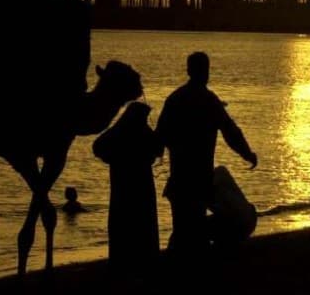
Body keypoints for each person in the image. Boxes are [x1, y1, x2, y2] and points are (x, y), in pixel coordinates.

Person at [156, 52, 258, 257]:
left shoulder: (175, 99)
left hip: (180, 179)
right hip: (199, 179)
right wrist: (247, 153)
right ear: (205, 72)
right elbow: (230, 131)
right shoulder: (209, 100)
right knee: (191, 231)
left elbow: (160, 137)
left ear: (188, 71)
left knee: (184, 230)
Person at [92, 101, 164, 271]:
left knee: (122, 220)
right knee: (142, 219)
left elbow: (98, 146)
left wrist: (111, 159)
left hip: (122, 184)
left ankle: (122, 260)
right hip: (139, 183)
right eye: (145, 117)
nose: (146, 120)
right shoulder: (141, 131)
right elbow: (158, 149)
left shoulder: (119, 130)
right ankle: (143, 259)